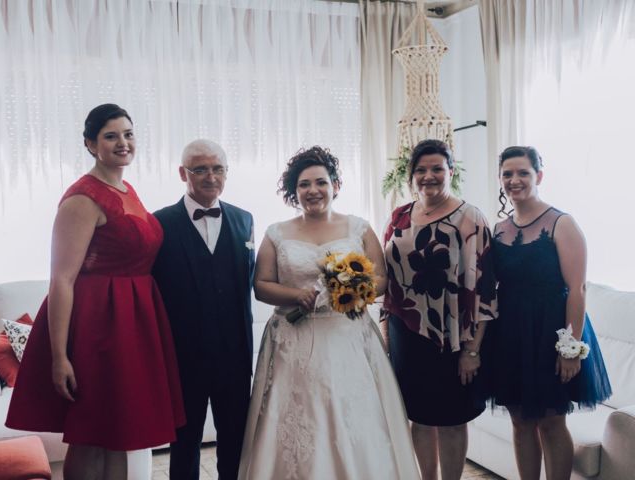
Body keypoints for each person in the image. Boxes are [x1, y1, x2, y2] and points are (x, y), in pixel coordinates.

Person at [6, 103, 186, 480]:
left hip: (130, 324)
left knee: (117, 433)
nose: (123, 143)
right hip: (98, 326)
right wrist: (60, 357)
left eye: (128, 134)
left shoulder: (126, 188)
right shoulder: (82, 198)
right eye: (111, 136)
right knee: (90, 435)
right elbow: (61, 279)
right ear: (90, 144)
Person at [237, 146, 420, 479]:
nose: (313, 190)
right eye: (304, 184)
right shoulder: (276, 233)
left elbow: (381, 279)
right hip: (294, 341)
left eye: (320, 182)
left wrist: (350, 289)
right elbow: (261, 285)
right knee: (299, 417)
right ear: (293, 192)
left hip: (346, 337)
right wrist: (296, 295)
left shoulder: (358, 228)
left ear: (335, 185)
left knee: (350, 416)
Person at [488, 145, 612, 480]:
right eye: (507, 174)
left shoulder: (562, 223)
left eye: (523, 173)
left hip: (552, 332)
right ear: (500, 179)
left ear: (539, 176)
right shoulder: (498, 229)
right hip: (511, 333)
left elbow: (577, 289)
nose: (514, 180)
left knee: (551, 421)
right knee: (520, 421)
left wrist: (569, 349)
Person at [381, 139, 497, 480]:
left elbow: (486, 291)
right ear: (411, 175)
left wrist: (472, 350)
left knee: (451, 419)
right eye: (421, 170)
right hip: (406, 331)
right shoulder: (399, 216)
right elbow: (387, 280)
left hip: (453, 336)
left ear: (451, 171)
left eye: (437, 169)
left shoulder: (470, 217)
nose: (428, 176)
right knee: (418, 416)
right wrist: (386, 333)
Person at [152, 139, 255, 480]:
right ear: (183, 173)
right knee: (184, 443)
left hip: (234, 355)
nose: (211, 177)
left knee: (235, 440)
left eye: (217, 168)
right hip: (183, 357)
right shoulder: (159, 223)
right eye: (200, 169)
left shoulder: (245, 219)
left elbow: (249, 282)